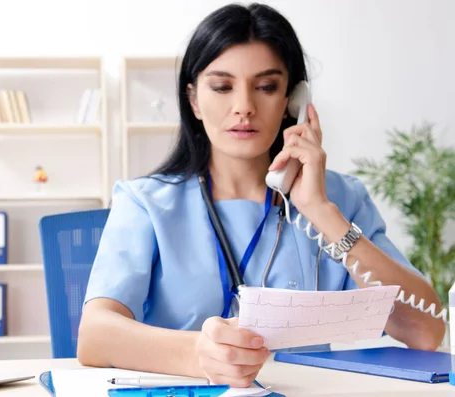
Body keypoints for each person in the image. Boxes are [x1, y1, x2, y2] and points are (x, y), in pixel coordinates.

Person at [77, 2, 445, 388]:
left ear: (292, 100)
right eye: (222, 87)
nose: (244, 107)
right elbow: (95, 336)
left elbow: (425, 333)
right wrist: (198, 354)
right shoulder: (146, 203)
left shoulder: (340, 199)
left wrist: (321, 211)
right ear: (194, 100)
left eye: (266, 87)